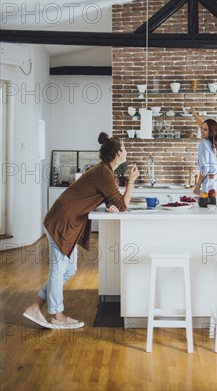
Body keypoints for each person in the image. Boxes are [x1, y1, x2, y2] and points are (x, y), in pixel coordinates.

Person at [23, 132, 139, 330]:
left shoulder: (105, 172)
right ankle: (57, 315)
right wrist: (130, 182)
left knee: (69, 269)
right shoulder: (104, 173)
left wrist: (113, 203)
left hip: (66, 219)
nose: (126, 151)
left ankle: (36, 306)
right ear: (119, 153)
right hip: (62, 220)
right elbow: (122, 205)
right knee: (59, 269)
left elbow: (113, 201)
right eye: (125, 148)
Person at [188, 108, 217, 201]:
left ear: (211, 132)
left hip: (209, 187)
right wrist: (194, 113)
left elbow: (204, 169)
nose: (201, 131)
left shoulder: (204, 144)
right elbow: (203, 126)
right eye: (201, 128)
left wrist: (197, 187)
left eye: (205, 129)